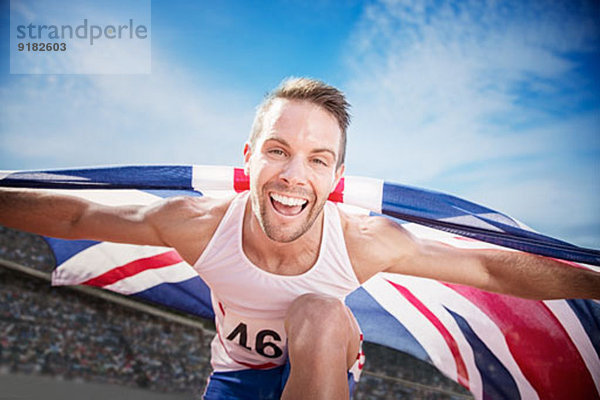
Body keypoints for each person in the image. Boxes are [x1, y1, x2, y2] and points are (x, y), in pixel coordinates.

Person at [1, 77, 599, 400]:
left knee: (315, 310)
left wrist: (594, 282)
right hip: (234, 377)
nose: (293, 177)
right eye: (278, 152)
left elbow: (492, 271)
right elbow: (79, 218)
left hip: (326, 365)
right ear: (248, 159)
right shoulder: (200, 224)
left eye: (317, 160)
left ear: (337, 178)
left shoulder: (364, 240)